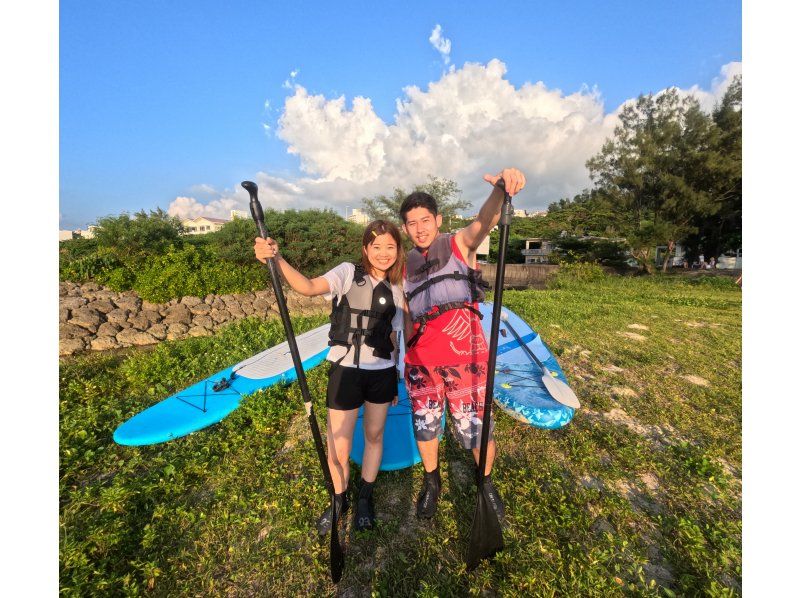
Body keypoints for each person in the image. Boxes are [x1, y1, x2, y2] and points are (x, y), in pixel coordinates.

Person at [253, 220, 406, 533]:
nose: (383, 253)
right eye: (376, 247)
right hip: (346, 371)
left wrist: (397, 376)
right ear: (366, 249)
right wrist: (277, 258)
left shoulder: (398, 287)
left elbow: (395, 338)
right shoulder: (348, 273)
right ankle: (339, 499)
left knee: (374, 436)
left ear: (398, 250)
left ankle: (365, 495)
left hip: (382, 373)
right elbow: (308, 287)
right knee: (338, 445)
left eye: (390, 246)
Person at [399, 167, 526, 520]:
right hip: (421, 360)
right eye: (412, 223)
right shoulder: (404, 265)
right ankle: (432, 482)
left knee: (475, 427)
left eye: (426, 219)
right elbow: (407, 313)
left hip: (465, 356)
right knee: (425, 425)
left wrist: (500, 192)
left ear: (438, 219)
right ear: (406, 228)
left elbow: (484, 223)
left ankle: (485, 484)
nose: (420, 227)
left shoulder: (458, 243)